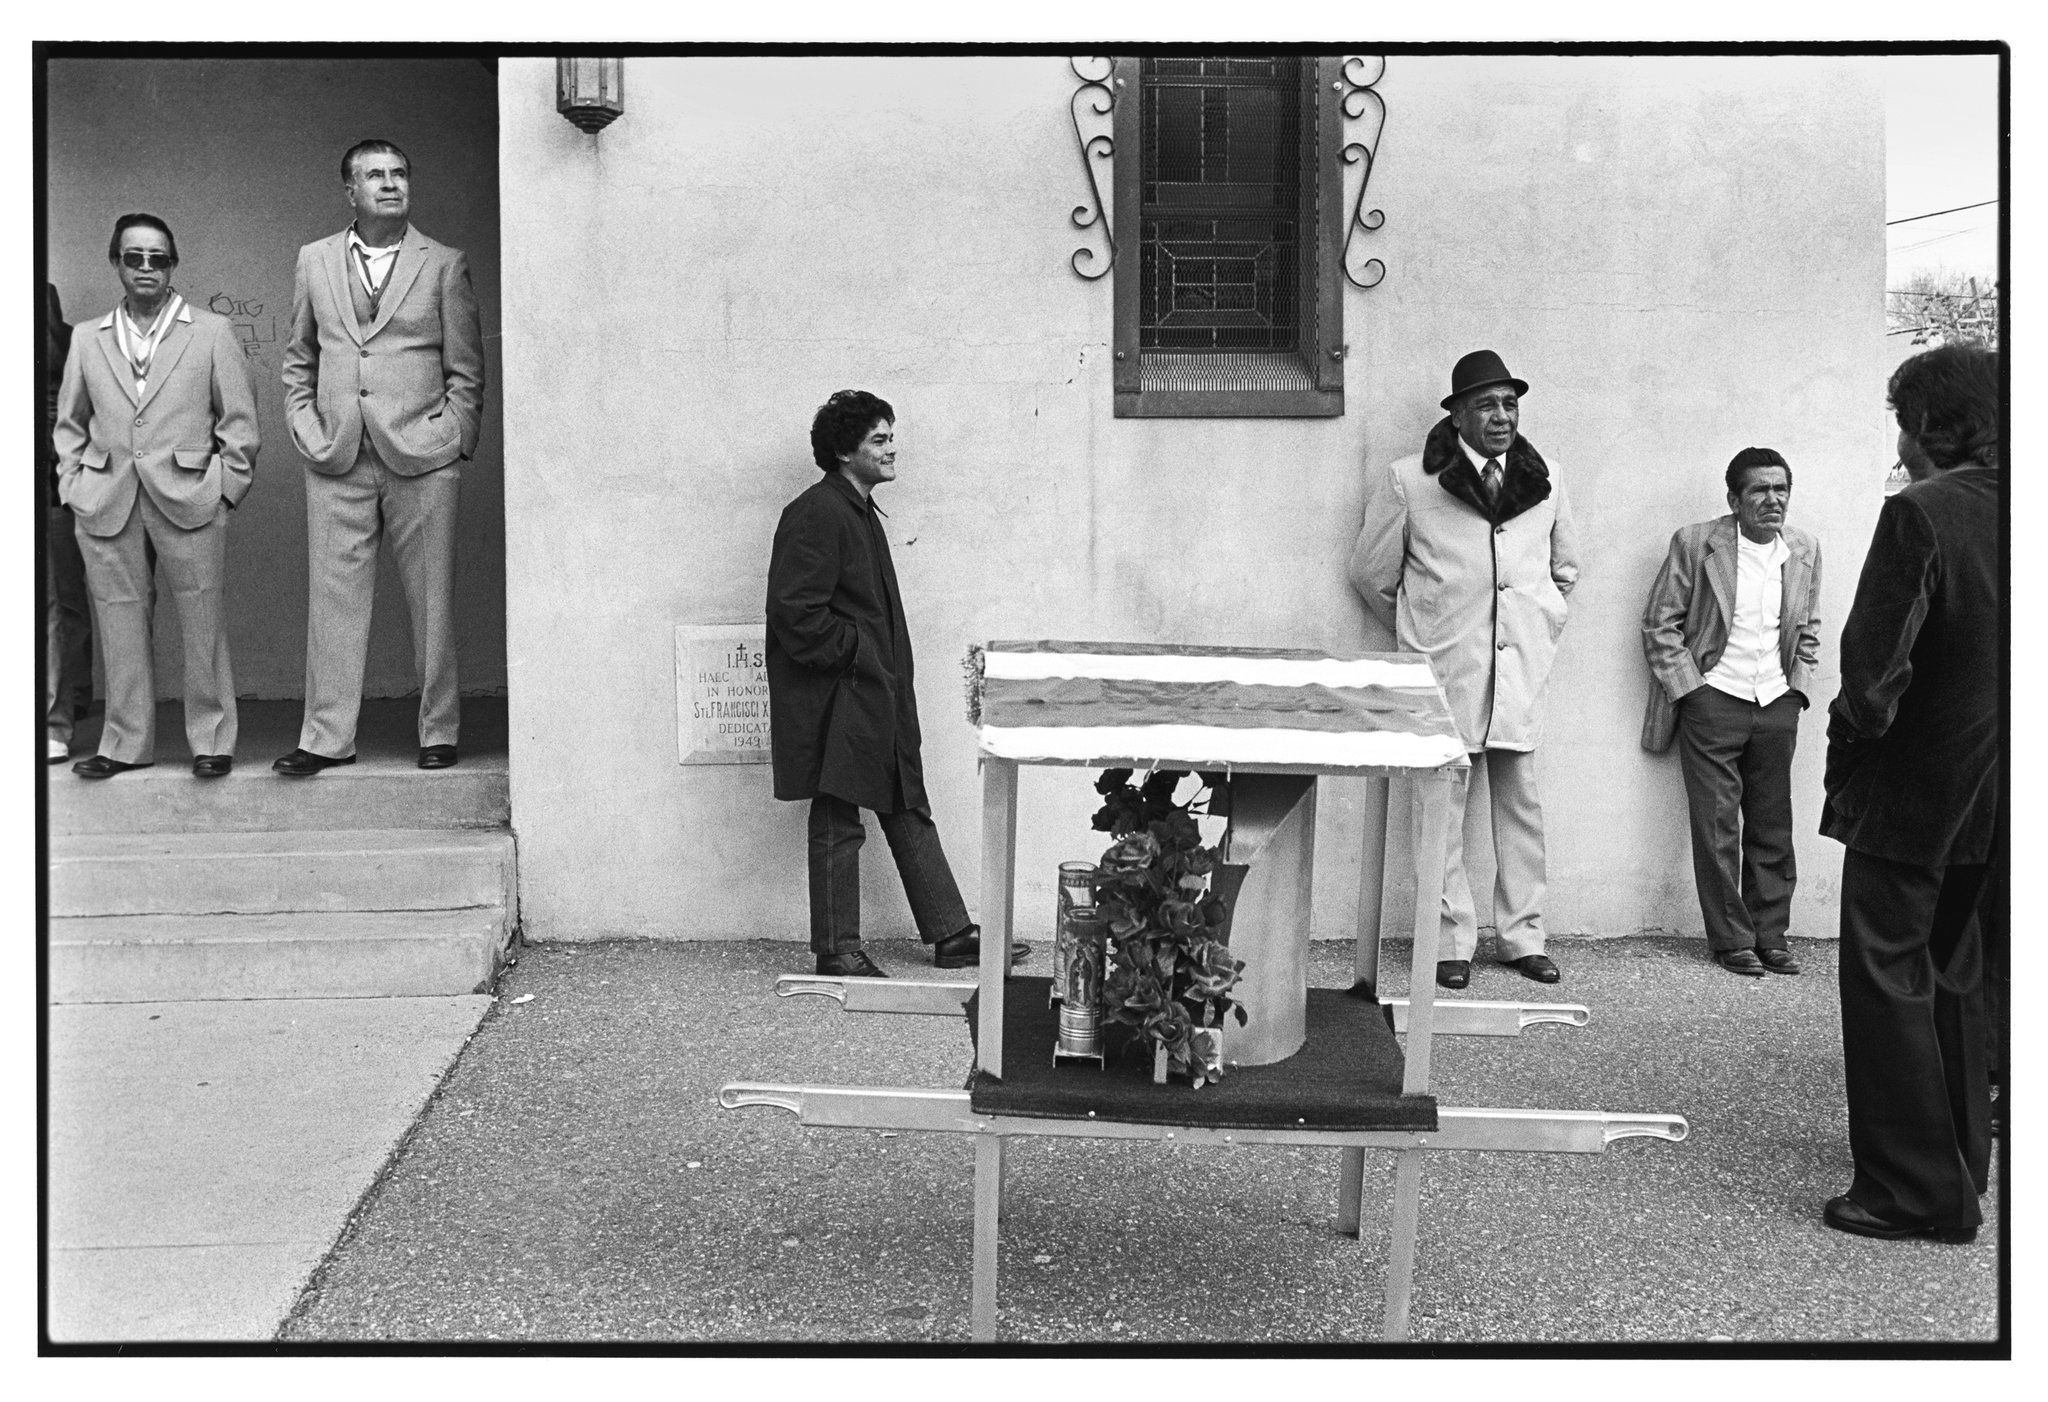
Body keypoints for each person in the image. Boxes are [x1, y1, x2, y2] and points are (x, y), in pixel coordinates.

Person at [1820, 342, 2001, 1244]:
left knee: (1887, 979)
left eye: (1904, 419)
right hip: (1998, 796)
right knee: (1955, 974)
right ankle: (1963, 1162)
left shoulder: (1921, 515)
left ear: (1933, 424)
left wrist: (1850, 746)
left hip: (1916, 791)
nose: (1901, 439)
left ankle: (1911, 1192)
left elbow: (1874, 676)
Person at [766, 390, 1021, 978]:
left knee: (905, 798)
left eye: (890, 436)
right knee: (838, 813)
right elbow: (795, 612)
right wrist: (857, 652)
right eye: (878, 439)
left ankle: (951, 933)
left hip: (870, 690)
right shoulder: (818, 511)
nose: (891, 448)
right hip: (838, 696)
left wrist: (874, 664)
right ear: (842, 451)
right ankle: (837, 948)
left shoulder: (854, 509)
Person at [1349, 350, 1580, 989]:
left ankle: (1523, 937)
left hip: (1520, 672)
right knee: (1441, 810)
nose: (1502, 416)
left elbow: (1564, 566)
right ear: (1457, 416)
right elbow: (1372, 574)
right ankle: (1449, 940)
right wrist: (1429, 626)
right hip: (1447, 670)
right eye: (1486, 404)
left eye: (1509, 403)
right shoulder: (1411, 480)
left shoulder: (1549, 478)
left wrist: (1546, 615)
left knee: (1521, 809)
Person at [275, 138, 485, 776]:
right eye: (374, 175)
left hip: (422, 453)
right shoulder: (314, 260)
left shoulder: (444, 263)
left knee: (432, 599)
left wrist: (452, 437)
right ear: (350, 191)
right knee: (332, 602)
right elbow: (298, 357)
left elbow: (467, 370)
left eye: (398, 173)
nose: (389, 184)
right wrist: (308, 429)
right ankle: (326, 738)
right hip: (337, 454)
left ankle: (438, 729)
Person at [53, 215, 258, 779]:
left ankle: (212, 741)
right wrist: (75, 484)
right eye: (134, 257)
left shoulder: (211, 332)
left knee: (202, 619)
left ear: (173, 263)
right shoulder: (86, 338)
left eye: (158, 258)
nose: (147, 268)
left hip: (191, 495)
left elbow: (239, 421)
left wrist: (225, 489)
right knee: (119, 622)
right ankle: (124, 745)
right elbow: (69, 423)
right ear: (115, 262)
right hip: (106, 499)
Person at [1640, 448, 1823, 976]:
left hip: (1775, 702)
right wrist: (1692, 693)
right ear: (1734, 499)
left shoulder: (1804, 549)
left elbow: (1808, 627)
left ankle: (1772, 935)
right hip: (1714, 700)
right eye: (1760, 490)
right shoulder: (1698, 543)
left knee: (1773, 824)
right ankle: (1732, 938)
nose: (1773, 500)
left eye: (1781, 489)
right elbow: (1659, 625)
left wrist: (1798, 690)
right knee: (1717, 826)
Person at [45, 281, 95, 763]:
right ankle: (72, 700)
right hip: (56, 486)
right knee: (64, 601)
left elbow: (63, 417)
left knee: (59, 602)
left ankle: (63, 710)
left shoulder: (63, 341)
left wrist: (69, 479)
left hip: (51, 487)